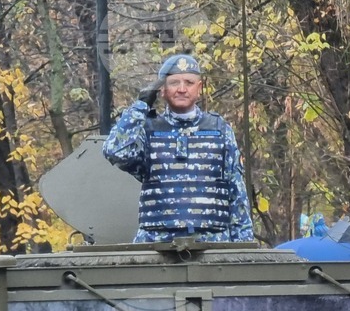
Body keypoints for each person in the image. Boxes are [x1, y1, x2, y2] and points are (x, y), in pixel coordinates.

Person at [102, 53, 254, 244]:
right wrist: (139, 107)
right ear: (162, 90)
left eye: (189, 83)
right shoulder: (146, 130)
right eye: (174, 83)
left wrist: (244, 247)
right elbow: (115, 152)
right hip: (156, 245)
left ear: (199, 88)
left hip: (213, 244)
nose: (182, 89)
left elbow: (236, 191)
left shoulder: (219, 130)